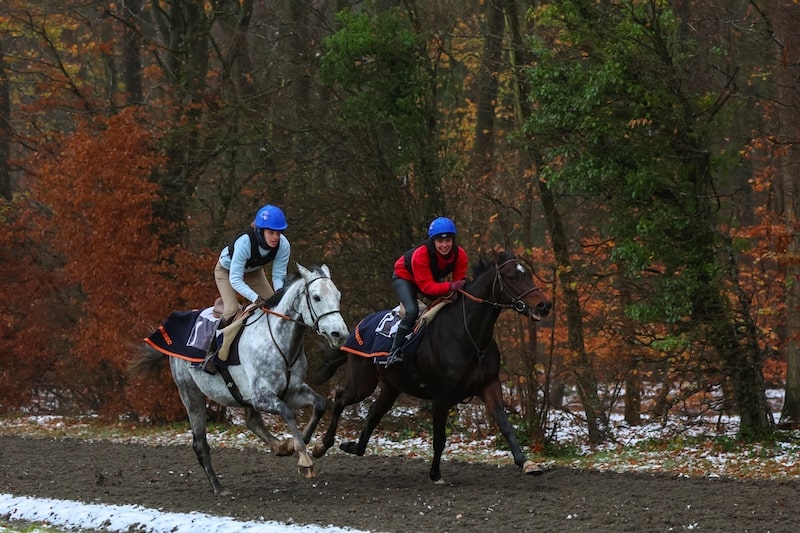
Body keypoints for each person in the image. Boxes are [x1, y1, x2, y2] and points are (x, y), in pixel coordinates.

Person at [202, 204, 291, 374]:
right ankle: (211, 353)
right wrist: (255, 298)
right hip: (227, 272)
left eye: (278, 233)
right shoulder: (245, 242)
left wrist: (280, 297)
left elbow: (279, 276)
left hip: (253, 272)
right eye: (271, 233)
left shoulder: (283, 245)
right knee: (232, 310)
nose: (275, 237)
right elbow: (235, 279)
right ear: (260, 230)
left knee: (275, 308)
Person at [385, 216, 468, 367]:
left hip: (427, 279)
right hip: (405, 278)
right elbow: (427, 288)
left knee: (449, 305)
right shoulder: (421, 254)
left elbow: (459, 285)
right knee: (411, 310)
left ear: (453, 240)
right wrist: (450, 286)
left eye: (448, 240)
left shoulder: (460, 255)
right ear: (433, 241)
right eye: (440, 241)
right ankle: (394, 351)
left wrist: (457, 290)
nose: (444, 245)